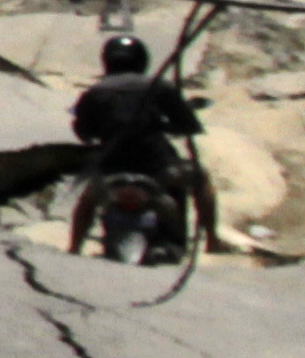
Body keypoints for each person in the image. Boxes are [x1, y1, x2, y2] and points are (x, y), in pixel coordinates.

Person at [64, 30, 209, 261]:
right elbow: (189, 126)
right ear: (142, 60)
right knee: (200, 177)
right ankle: (212, 240)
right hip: (157, 168)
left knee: (87, 201)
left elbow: (84, 133)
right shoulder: (159, 87)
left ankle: (74, 247)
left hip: (112, 168)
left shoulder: (95, 92)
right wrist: (164, 127)